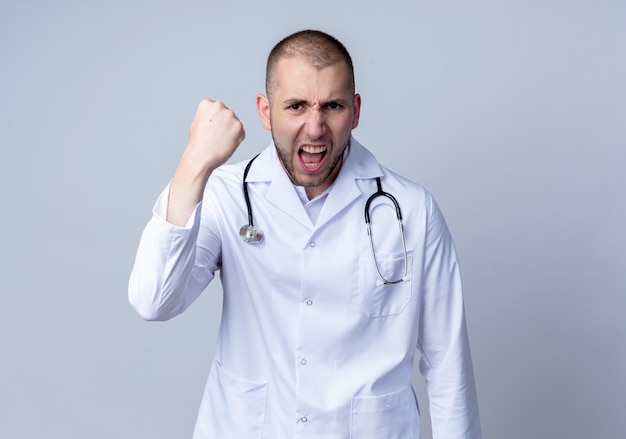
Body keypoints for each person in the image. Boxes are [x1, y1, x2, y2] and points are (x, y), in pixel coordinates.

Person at [129, 29, 482, 439]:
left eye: (332, 106)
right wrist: (194, 162)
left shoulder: (412, 210)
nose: (314, 128)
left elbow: (448, 364)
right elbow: (154, 300)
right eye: (295, 106)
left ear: (355, 110)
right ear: (265, 111)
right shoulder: (225, 195)